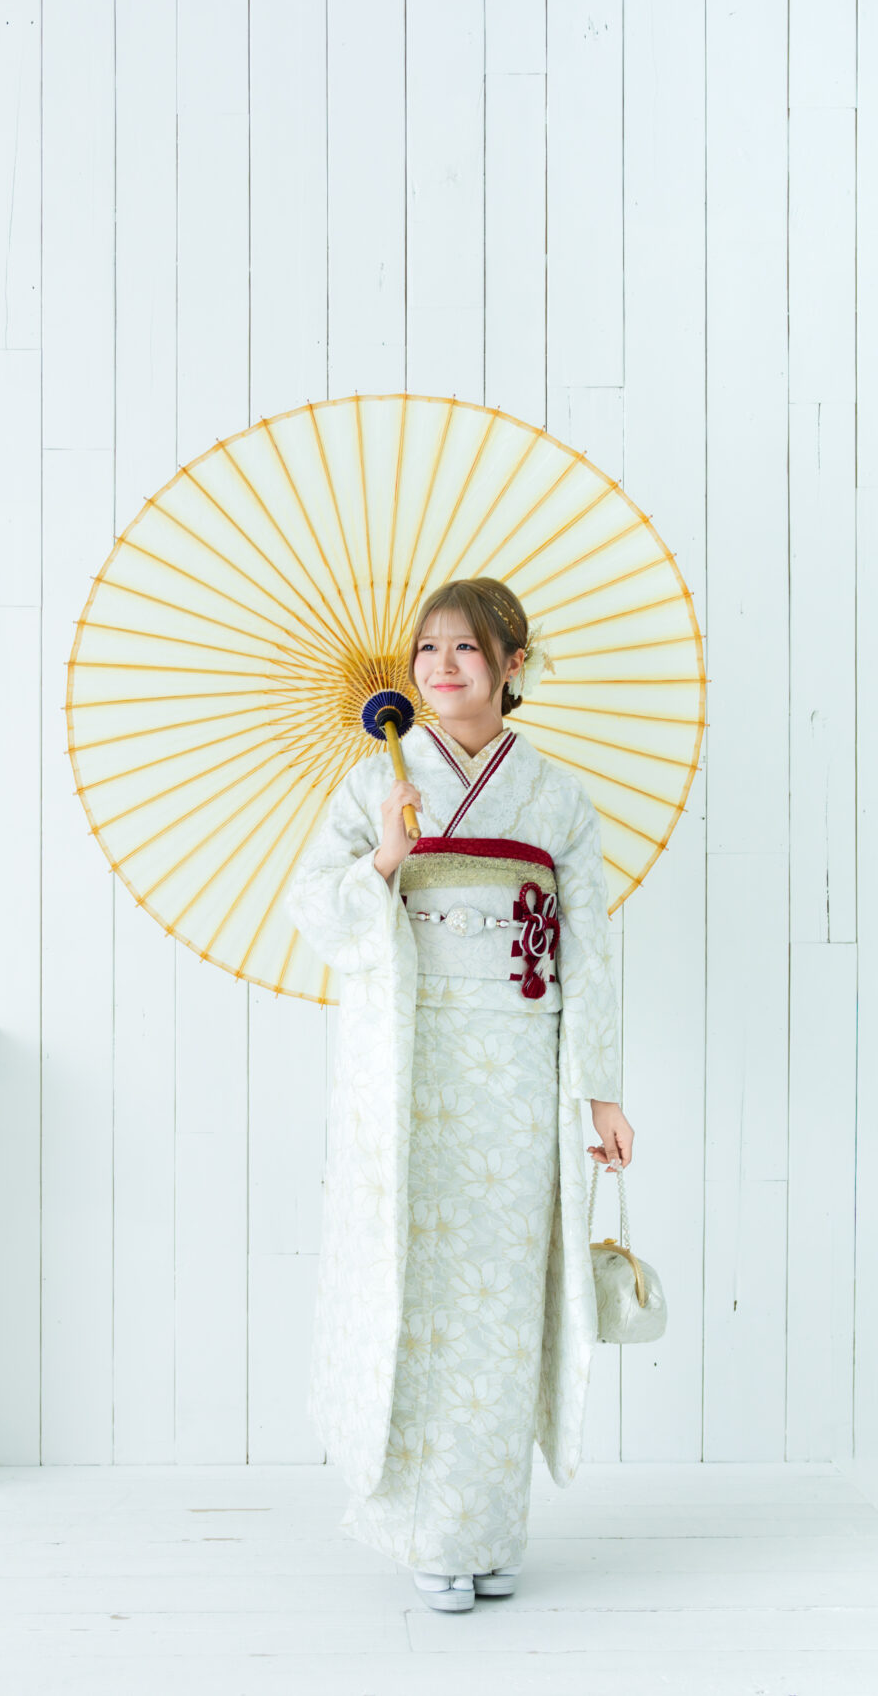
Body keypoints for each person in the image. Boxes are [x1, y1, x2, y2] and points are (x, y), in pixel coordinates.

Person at [287, 576, 636, 1614]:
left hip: (518, 1059)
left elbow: (589, 946)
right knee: (416, 1283)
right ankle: (434, 1533)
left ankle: (489, 1528)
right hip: (408, 1057)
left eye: (467, 649)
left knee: (500, 1289)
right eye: (427, 649)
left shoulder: (558, 798)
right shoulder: (375, 783)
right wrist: (385, 859)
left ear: (514, 666)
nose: (440, 667)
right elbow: (312, 908)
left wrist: (601, 1092)